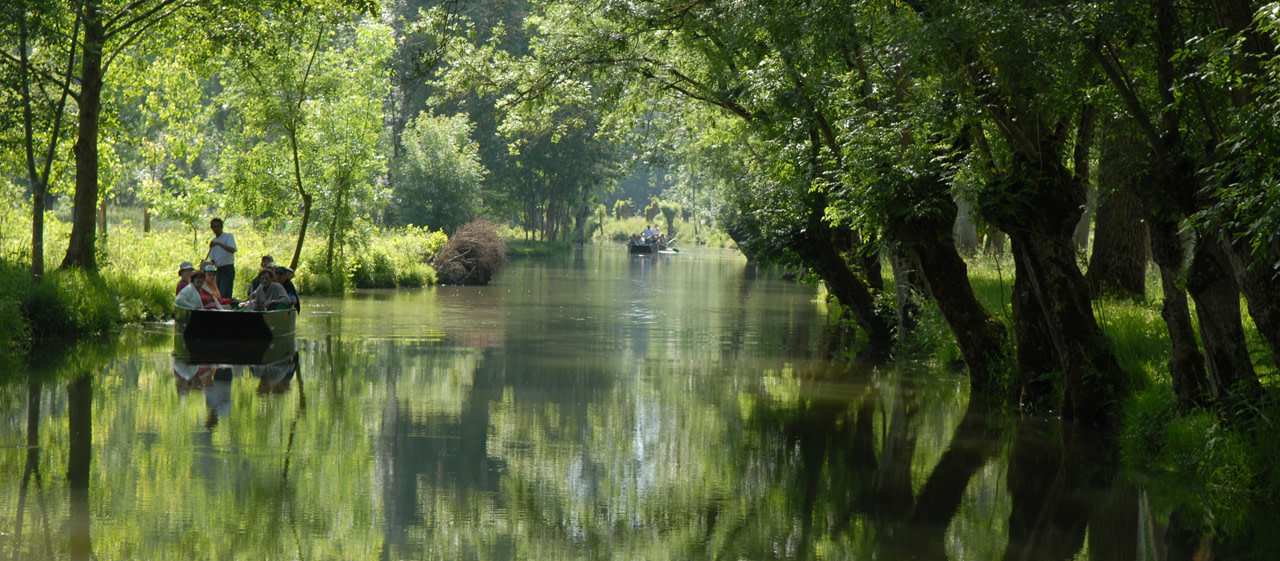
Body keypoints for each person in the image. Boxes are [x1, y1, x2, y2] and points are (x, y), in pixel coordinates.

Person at [207, 217, 237, 299]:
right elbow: (213, 260)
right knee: (218, 292)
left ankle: (225, 308)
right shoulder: (213, 241)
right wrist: (207, 263)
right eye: (214, 227)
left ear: (222, 227)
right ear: (212, 228)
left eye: (218, 226)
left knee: (225, 292)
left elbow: (232, 249)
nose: (216, 229)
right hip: (218, 269)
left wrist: (219, 244)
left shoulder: (228, 236)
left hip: (227, 268)